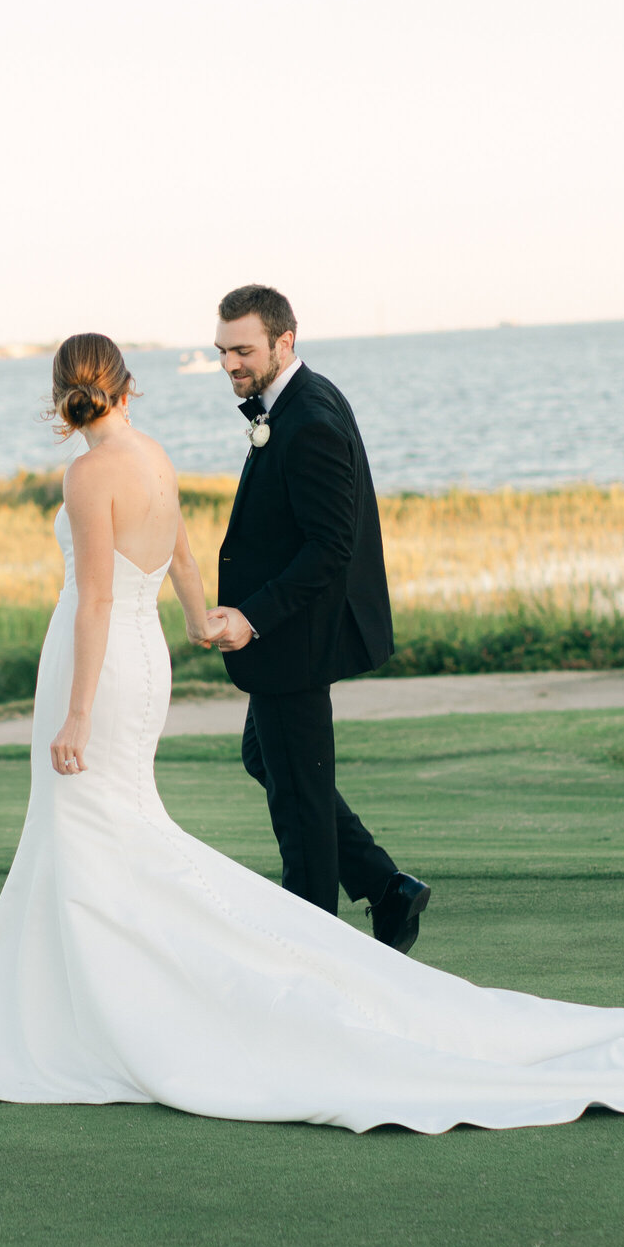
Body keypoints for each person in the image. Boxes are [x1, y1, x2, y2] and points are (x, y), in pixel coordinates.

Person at [0, 329, 624, 1135]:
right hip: (144, 658)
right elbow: (187, 557)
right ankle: (103, 1002)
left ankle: (107, 1015)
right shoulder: (152, 455)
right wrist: (200, 621)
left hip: (99, 668)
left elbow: (91, 598)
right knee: (112, 828)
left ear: (62, 397)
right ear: (125, 385)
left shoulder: (89, 477)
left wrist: (78, 711)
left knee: (94, 827)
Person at [202, 284, 429, 949]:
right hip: (287, 644)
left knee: (300, 808)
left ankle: (317, 960)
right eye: (222, 351)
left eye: (243, 350)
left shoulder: (312, 417)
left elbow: (330, 548)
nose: (230, 364)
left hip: (296, 641)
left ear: (284, 341)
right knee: (265, 759)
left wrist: (253, 616)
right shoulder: (294, 401)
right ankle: (388, 887)